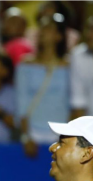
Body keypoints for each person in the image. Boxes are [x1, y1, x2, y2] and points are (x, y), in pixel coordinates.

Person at [16, 13, 70, 158]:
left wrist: (68, 138)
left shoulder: (69, 66)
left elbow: (73, 102)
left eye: (49, 29)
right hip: (33, 133)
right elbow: (22, 101)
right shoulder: (25, 64)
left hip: (61, 134)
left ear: (59, 36)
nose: (43, 32)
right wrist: (26, 136)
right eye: (42, 28)